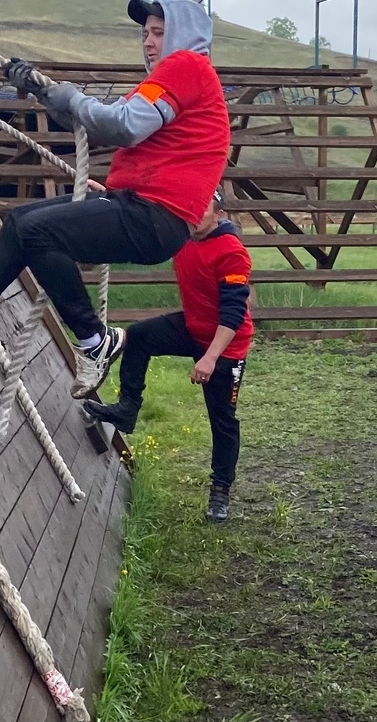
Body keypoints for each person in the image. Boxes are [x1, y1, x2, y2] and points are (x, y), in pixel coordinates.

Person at [0, 0, 231, 398]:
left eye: (159, 33)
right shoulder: (175, 79)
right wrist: (42, 93)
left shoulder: (186, 66)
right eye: (145, 33)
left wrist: (71, 99)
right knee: (20, 223)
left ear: (182, 35)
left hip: (154, 215)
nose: (148, 42)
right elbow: (108, 125)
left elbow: (122, 126)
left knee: (38, 232)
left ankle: (94, 341)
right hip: (141, 207)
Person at [83, 190, 253, 524]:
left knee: (223, 419)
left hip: (226, 344)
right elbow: (146, 209)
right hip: (193, 327)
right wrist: (110, 194)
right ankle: (128, 408)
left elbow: (234, 314)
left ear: (219, 214)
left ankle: (220, 490)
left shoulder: (232, 252)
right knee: (139, 336)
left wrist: (209, 359)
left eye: (202, 209)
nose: (194, 215)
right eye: (191, 207)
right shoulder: (182, 237)